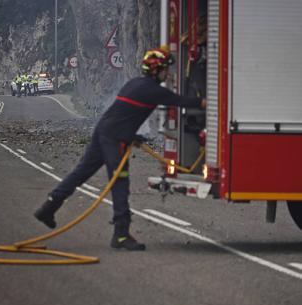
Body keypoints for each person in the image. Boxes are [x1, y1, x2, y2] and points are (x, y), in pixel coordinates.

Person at [34, 46, 206, 251]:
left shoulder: (136, 84)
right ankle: (121, 234)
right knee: (120, 182)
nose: (167, 73)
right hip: (114, 138)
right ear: (155, 70)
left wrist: (132, 135)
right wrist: (204, 102)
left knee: (82, 172)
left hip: (105, 131)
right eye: (165, 69)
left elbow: (124, 113)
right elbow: (179, 101)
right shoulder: (153, 90)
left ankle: (49, 207)